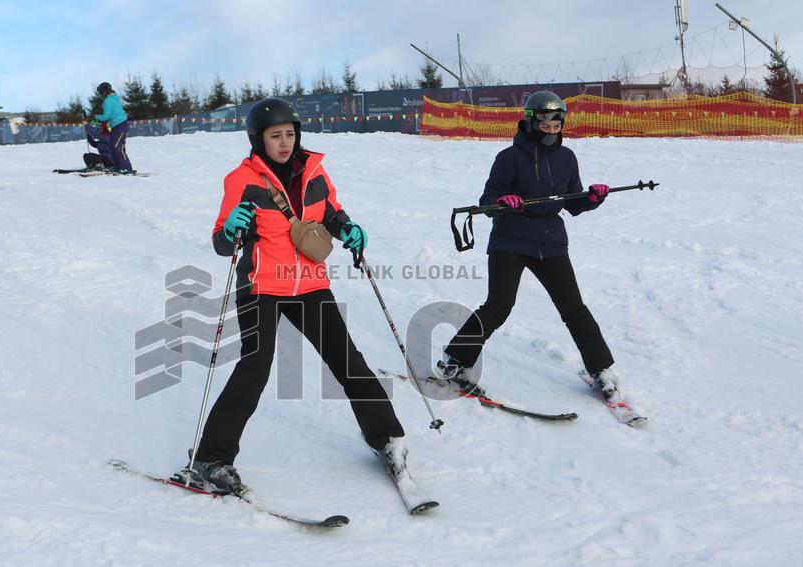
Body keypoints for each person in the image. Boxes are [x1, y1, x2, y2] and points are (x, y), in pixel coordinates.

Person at [182, 97, 410, 495]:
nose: (284, 142)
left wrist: (349, 229)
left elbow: (332, 214)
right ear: (259, 139)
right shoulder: (242, 179)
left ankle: (387, 438)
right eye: (275, 136)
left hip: (310, 284)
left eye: (289, 134)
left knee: (348, 361)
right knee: (255, 368)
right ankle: (211, 457)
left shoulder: (315, 172)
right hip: (261, 286)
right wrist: (231, 229)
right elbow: (222, 242)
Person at [440, 91, 620, 400]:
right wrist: (503, 201)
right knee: (498, 306)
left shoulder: (567, 158)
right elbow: (488, 200)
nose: (552, 132)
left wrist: (592, 198)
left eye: (557, 126)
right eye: (546, 126)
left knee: (574, 308)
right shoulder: (508, 158)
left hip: (551, 243)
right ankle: (455, 360)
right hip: (510, 240)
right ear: (532, 122)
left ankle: (601, 369)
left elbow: (573, 202)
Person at [92, 82, 132, 173]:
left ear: (104, 92)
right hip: (115, 126)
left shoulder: (108, 101)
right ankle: (117, 167)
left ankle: (126, 168)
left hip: (120, 125)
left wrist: (96, 116)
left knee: (117, 147)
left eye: (100, 93)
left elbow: (106, 117)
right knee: (112, 147)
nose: (99, 95)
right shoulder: (114, 98)